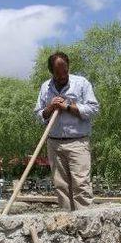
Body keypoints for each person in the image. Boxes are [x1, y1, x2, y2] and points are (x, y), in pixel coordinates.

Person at [34, 52, 99, 211]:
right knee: (61, 185)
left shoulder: (82, 83)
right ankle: (68, 225)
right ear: (51, 72)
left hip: (78, 142)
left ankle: (85, 227)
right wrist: (49, 108)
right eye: (58, 73)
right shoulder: (45, 87)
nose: (63, 75)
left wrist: (68, 107)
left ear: (68, 67)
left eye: (65, 71)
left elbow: (94, 109)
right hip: (54, 143)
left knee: (81, 184)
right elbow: (38, 114)